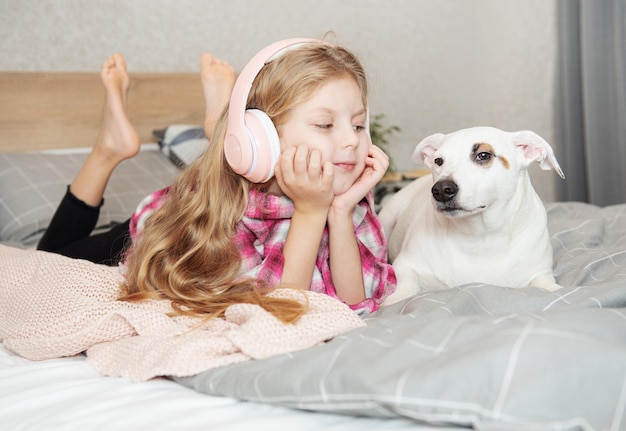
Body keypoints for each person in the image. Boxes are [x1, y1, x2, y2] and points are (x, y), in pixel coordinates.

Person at [39, 39, 397, 320]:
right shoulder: (230, 214)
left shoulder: (347, 195)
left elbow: (357, 301)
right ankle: (108, 150)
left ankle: (219, 125)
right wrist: (309, 212)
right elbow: (282, 307)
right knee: (48, 259)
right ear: (261, 139)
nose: (352, 140)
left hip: (245, 181)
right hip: (171, 225)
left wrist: (338, 212)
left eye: (358, 123)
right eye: (325, 124)